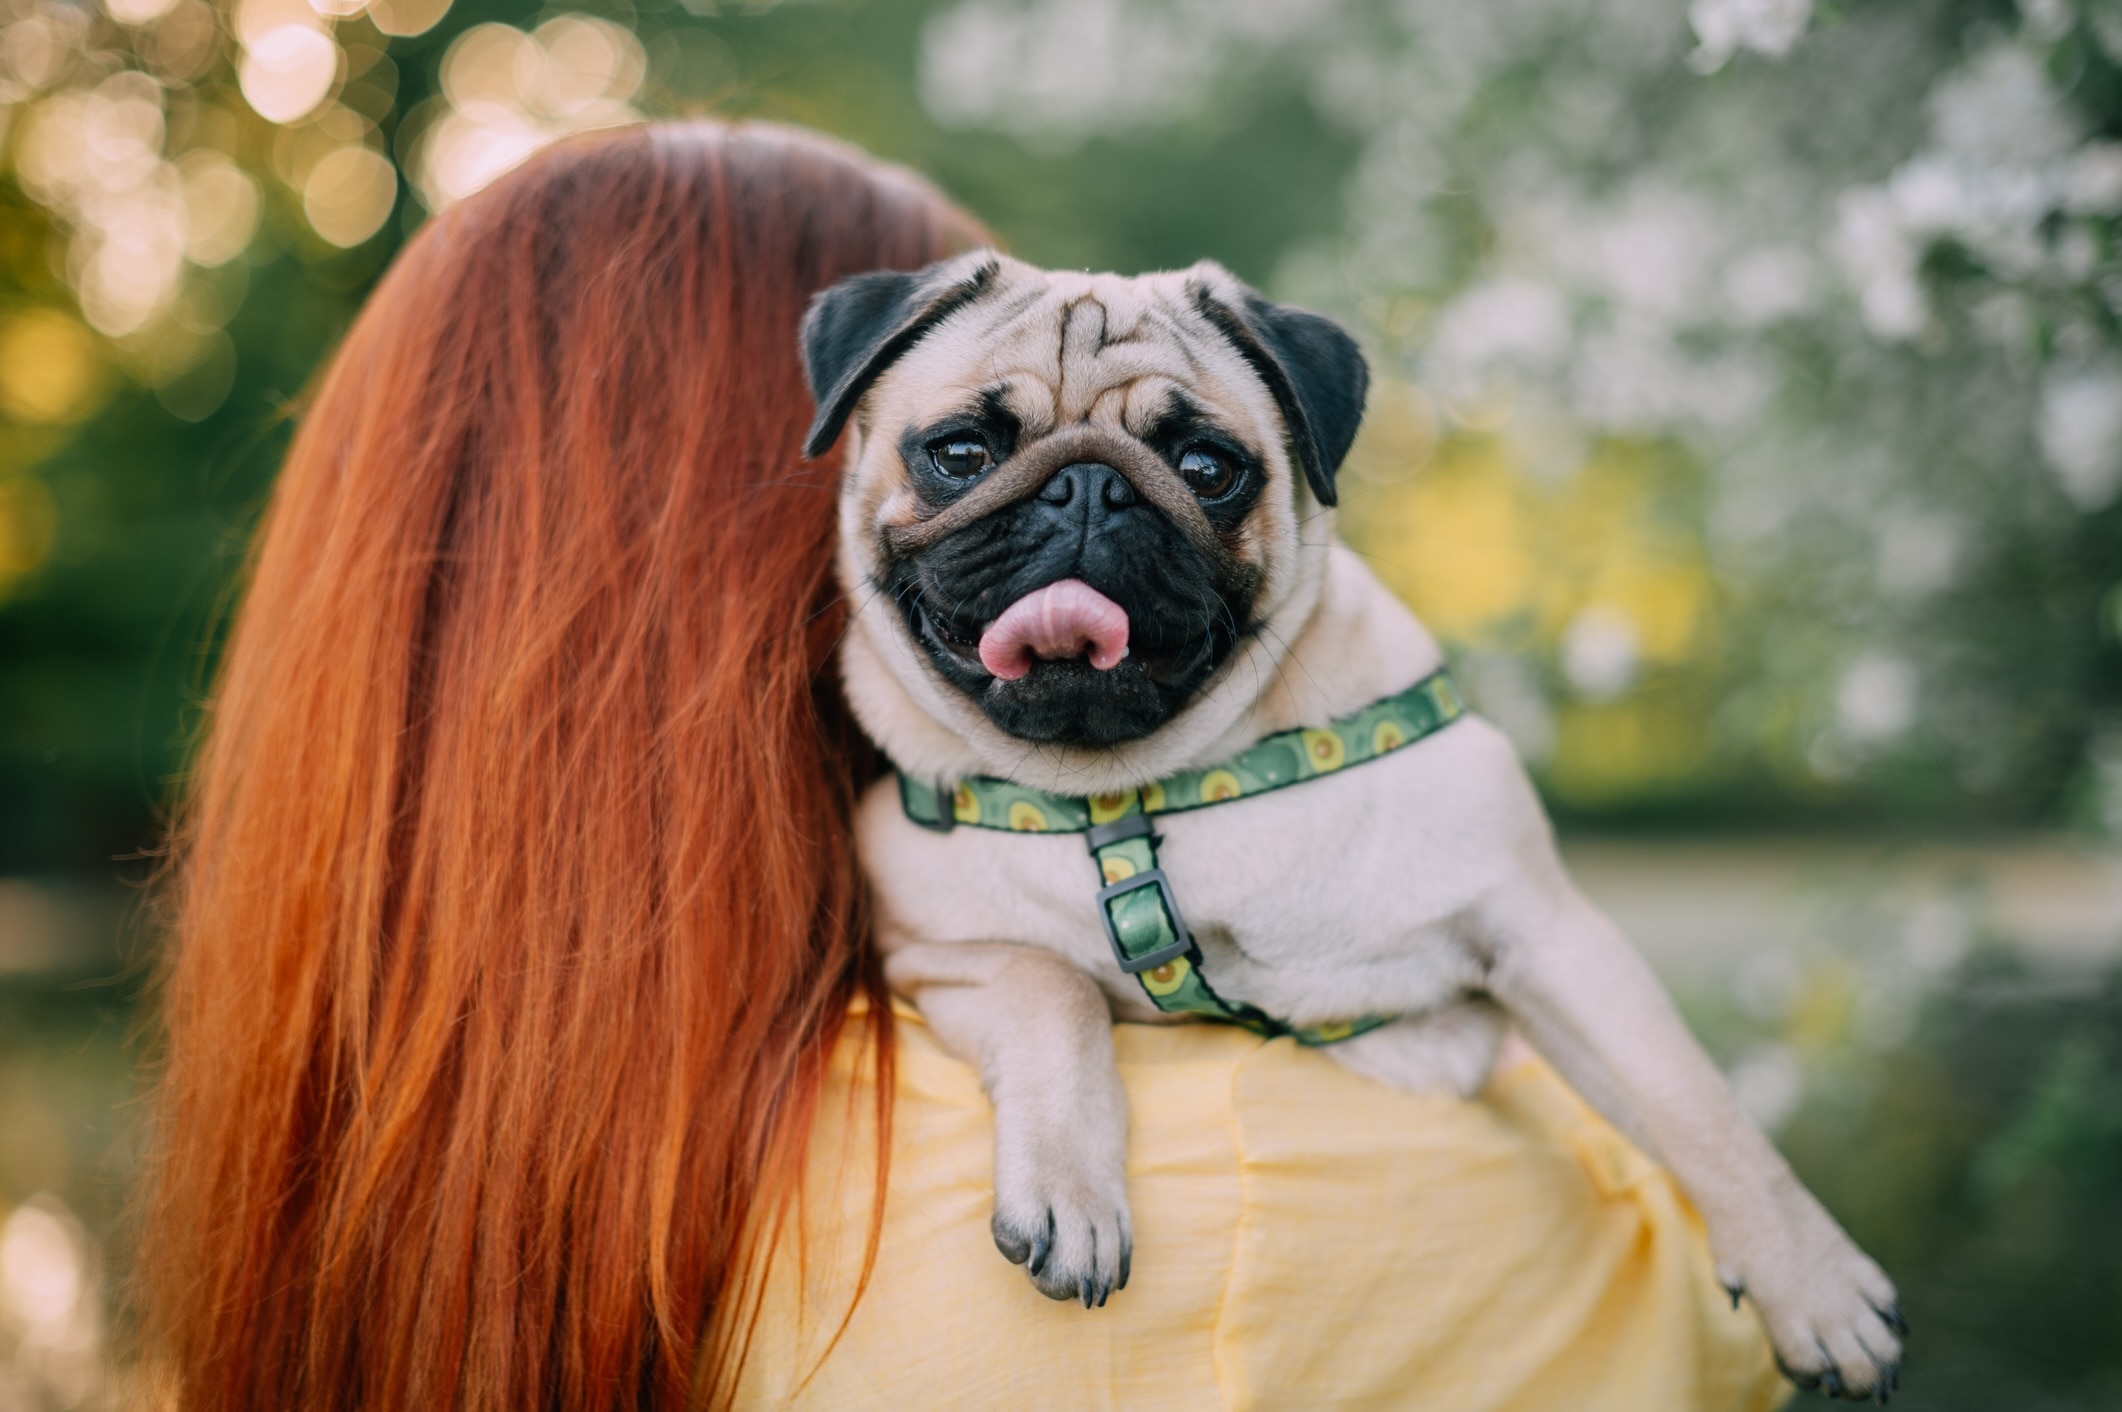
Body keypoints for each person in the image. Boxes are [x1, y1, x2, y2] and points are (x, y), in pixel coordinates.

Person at [138, 121, 1782, 1411]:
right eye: (971, 449)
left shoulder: (327, 1155)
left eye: (1177, 463)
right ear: (769, 526)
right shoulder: (1224, 1188)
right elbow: (1713, 1346)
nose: (1080, 506)